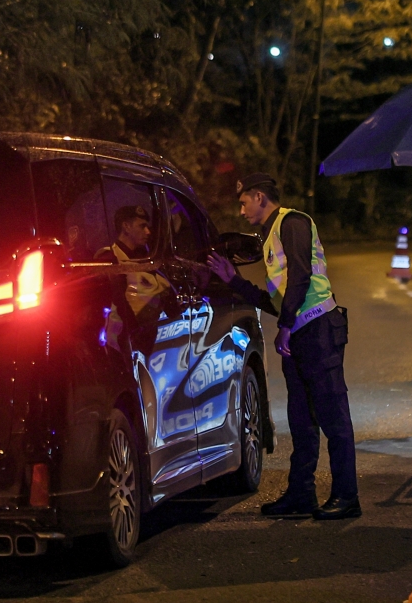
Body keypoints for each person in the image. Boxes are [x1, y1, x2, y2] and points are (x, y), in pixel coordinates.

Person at [206, 173, 359, 520]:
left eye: (244, 202)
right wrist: (233, 280)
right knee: (302, 420)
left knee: (333, 417)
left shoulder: (293, 223)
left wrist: (286, 326)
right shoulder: (271, 235)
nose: (241, 211)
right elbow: (275, 300)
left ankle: (347, 496)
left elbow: (301, 277)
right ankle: (301, 494)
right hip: (303, 335)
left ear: (259, 197)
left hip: (318, 329)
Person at [96, 205, 171, 354]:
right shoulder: (110, 257)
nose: (148, 232)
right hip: (122, 343)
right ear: (126, 227)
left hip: (147, 341)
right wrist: (135, 332)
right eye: (142, 226)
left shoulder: (144, 258)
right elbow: (118, 299)